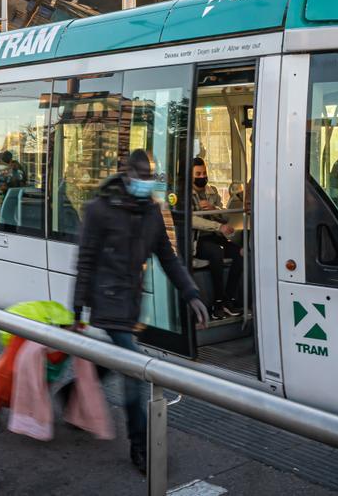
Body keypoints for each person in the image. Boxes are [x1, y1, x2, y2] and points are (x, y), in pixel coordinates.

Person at [73, 149, 208, 474]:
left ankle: (73, 395)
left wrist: (191, 293)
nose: (146, 185)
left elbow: (168, 257)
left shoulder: (152, 212)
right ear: (127, 175)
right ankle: (142, 447)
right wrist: (76, 310)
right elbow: (86, 260)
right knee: (134, 372)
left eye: (150, 179)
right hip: (106, 300)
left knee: (115, 358)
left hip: (132, 303)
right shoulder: (100, 209)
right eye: (141, 179)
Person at [190, 158, 241, 319]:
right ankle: (217, 303)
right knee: (215, 252)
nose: (202, 176)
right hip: (198, 241)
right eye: (198, 174)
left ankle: (228, 299)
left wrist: (213, 209)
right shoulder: (185, 195)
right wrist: (218, 227)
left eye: (204, 173)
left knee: (239, 252)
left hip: (214, 238)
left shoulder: (212, 192)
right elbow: (193, 220)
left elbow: (224, 217)